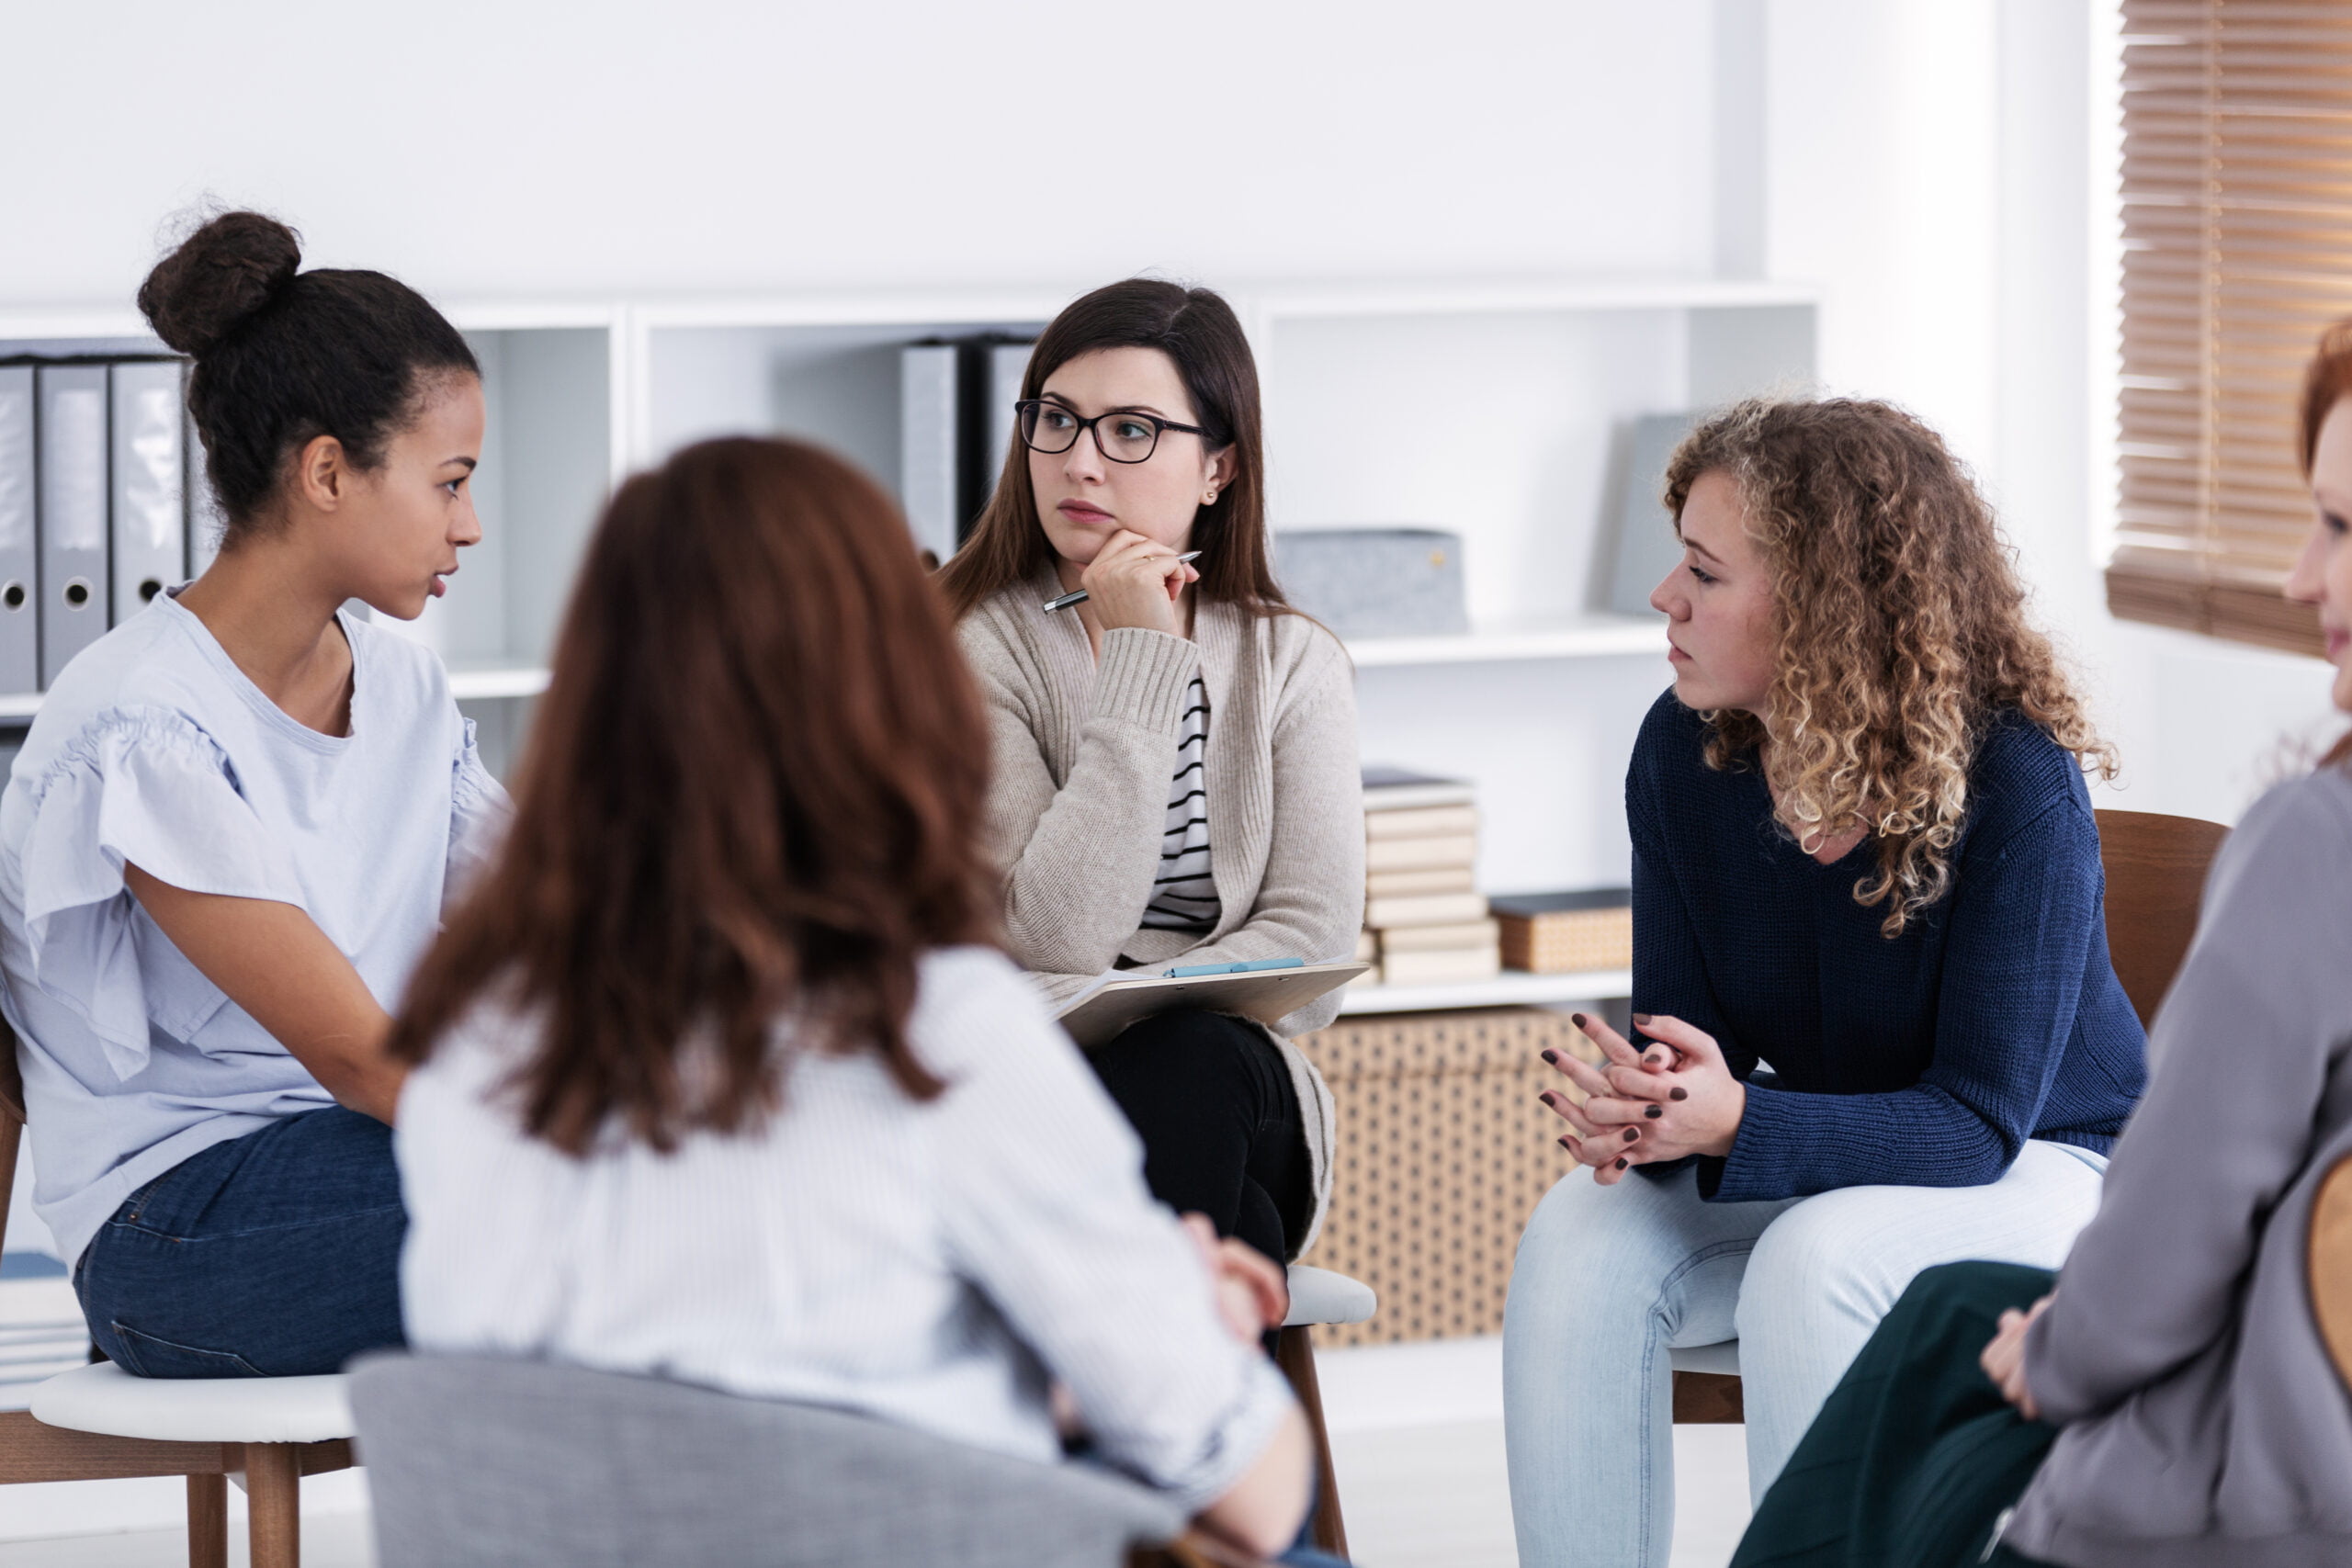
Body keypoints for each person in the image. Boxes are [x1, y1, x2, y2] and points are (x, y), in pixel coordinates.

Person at [388, 435, 1319, 1559]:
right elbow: (1254, 1497)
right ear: (887, 685)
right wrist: (1192, 1327)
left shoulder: (473, 1048)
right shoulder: (932, 1031)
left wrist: (1042, 1376)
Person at [1730, 322, 2352, 1568]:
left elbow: (2166, 1219)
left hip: (2249, 1489)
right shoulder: (1691, 760)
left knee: (1941, 1334)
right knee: (1948, 1309)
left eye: (2338, 527)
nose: (2296, 575)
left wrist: (2064, 1345)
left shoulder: (2310, 842)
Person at [1501, 397, 2146, 1567]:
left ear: (1825, 608)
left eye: (1704, 571)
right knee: (1575, 1240)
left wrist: (1735, 1118)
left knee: (1815, 1263)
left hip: (2056, 1165)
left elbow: (1976, 1124)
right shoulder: (1683, 751)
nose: (1665, 598)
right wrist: (1649, 1107)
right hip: (1835, 1156)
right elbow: (1692, 1043)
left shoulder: (2016, 785)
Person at [0, 210, 504, 1376]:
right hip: (177, 1227)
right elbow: (359, 1061)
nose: (469, 525)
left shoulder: (404, 689)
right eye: (450, 483)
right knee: (632, 1212)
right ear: (329, 470)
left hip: (353, 1155)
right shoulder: (142, 725)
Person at [936, 279, 1362, 1269]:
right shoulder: (965, 649)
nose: (1078, 460)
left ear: (1217, 468)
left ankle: (1129, 1401)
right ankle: (1194, 1402)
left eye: (1130, 430)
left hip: (1229, 1089)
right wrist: (1141, 657)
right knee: (1234, 1232)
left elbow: (1310, 949)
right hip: (1030, 1089)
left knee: (1188, 1063)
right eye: (1055, 420)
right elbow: (1049, 931)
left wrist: (1133, 997)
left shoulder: (1291, 661)